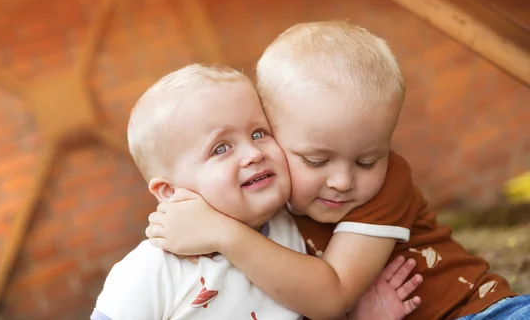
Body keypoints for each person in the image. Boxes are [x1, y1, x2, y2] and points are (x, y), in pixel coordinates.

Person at [146, 21, 530, 320]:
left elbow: (331, 295)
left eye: (367, 161)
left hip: (474, 311)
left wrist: (221, 233)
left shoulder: (388, 183)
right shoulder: (261, 208)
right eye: (315, 161)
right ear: (271, 136)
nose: (344, 181)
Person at [92, 63, 422, 319]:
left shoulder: (289, 234)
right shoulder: (156, 268)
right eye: (220, 149)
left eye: (259, 133)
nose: (253, 153)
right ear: (168, 191)